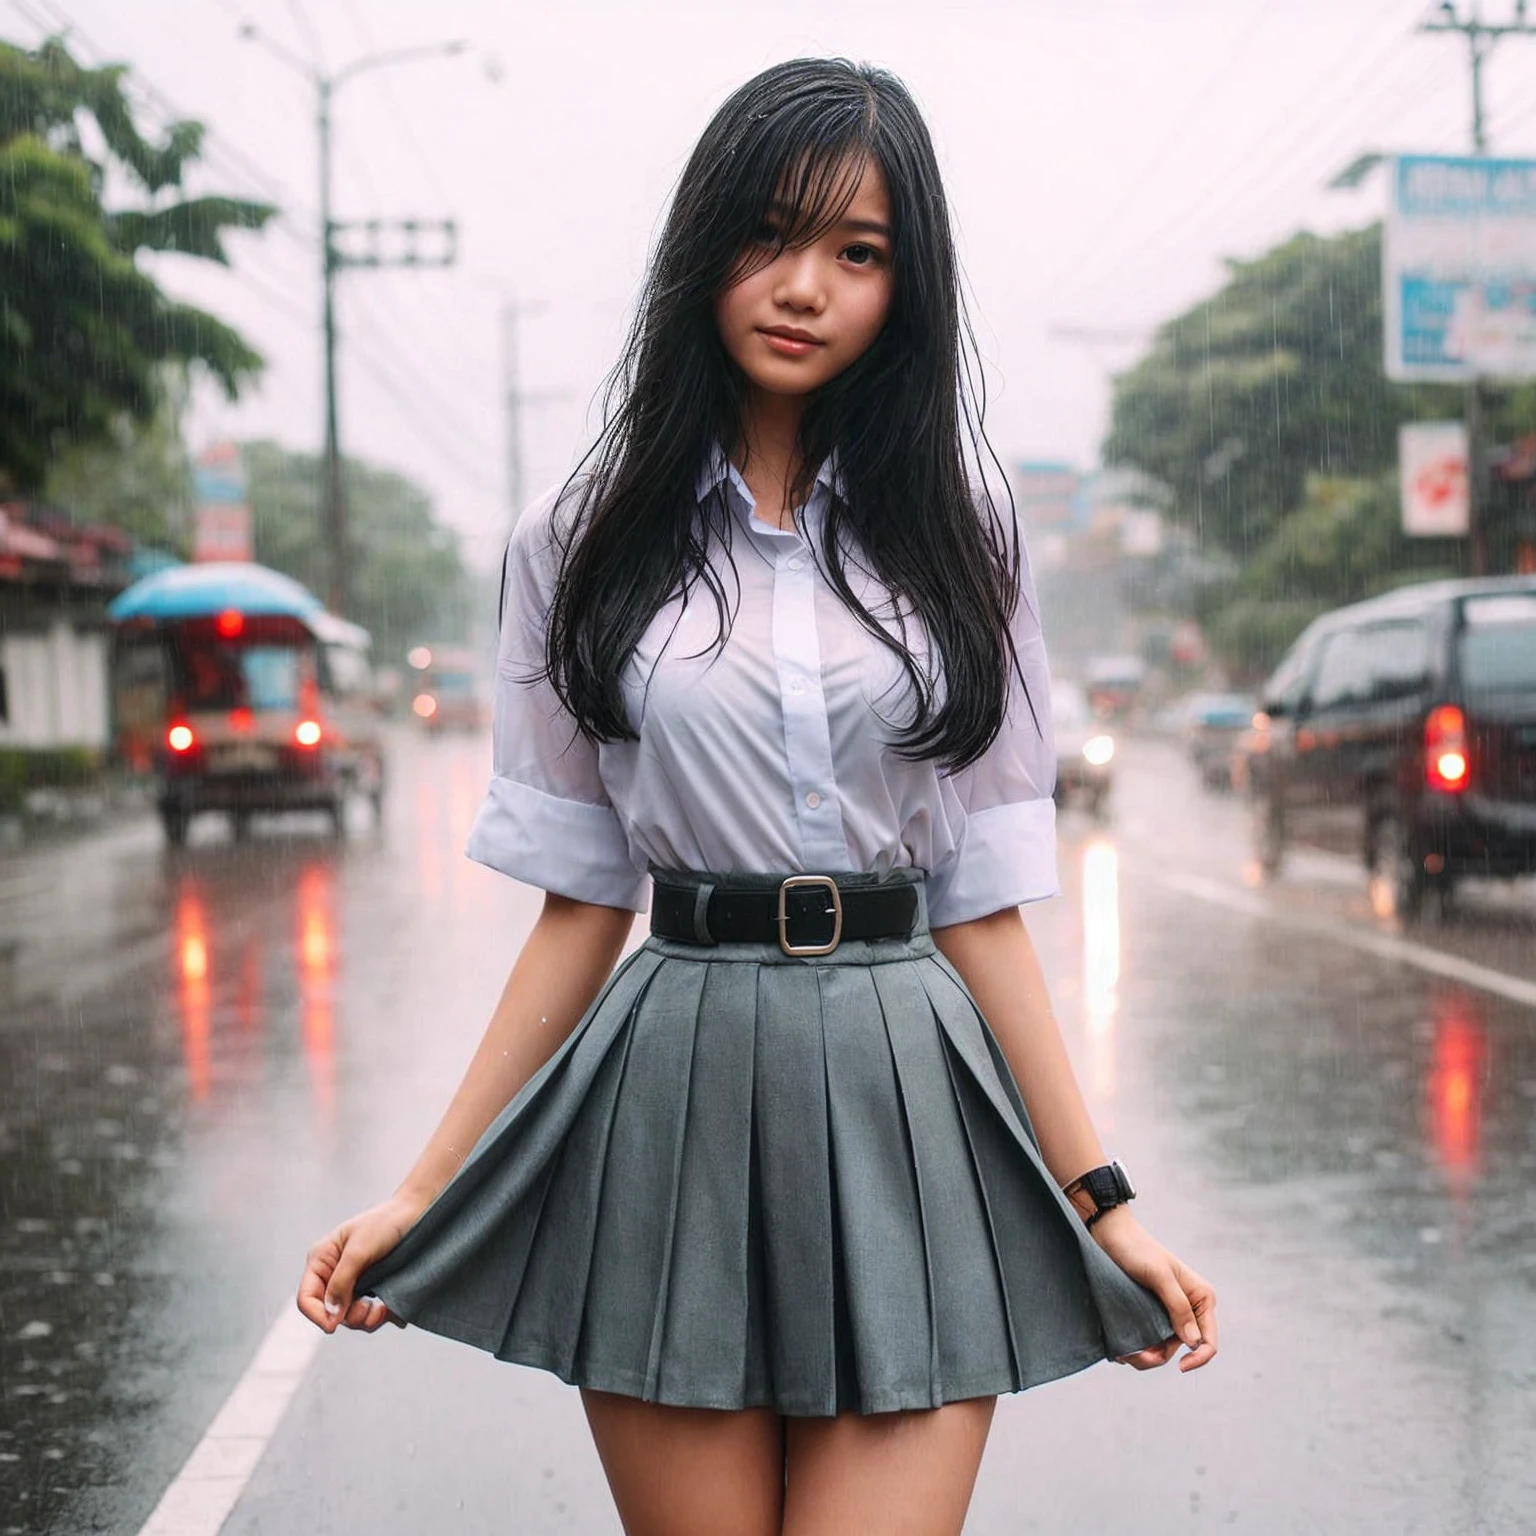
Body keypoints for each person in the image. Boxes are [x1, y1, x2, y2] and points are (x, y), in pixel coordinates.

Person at [296, 57, 1217, 1535]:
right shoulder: (578, 536)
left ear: (903, 291)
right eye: (769, 236)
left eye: (858, 254)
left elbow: (982, 899)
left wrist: (1106, 1201)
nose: (805, 288)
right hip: (674, 1090)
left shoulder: (963, 530)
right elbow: (579, 902)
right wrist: (426, 1186)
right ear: (702, 251)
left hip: (906, 1083)